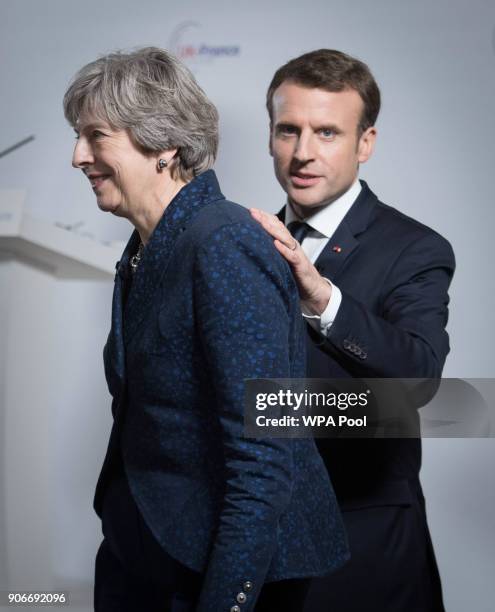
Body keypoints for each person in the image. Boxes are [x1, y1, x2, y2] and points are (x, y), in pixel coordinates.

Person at [63, 47, 349, 612]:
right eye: (79, 136)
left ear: (164, 145)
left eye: (97, 136)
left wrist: (227, 600)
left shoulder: (223, 242)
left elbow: (264, 456)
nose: (78, 156)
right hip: (146, 550)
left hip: (220, 569)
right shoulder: (148, 243)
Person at [250, 49, 455, 612]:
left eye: (327, 133)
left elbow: (419, 378)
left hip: (363, 551)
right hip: (259, 544)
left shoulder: (415, 249)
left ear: (365, 143)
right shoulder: (247, 244)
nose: (303, 152)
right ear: (270, 135)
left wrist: (324, 299)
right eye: (288, 130)